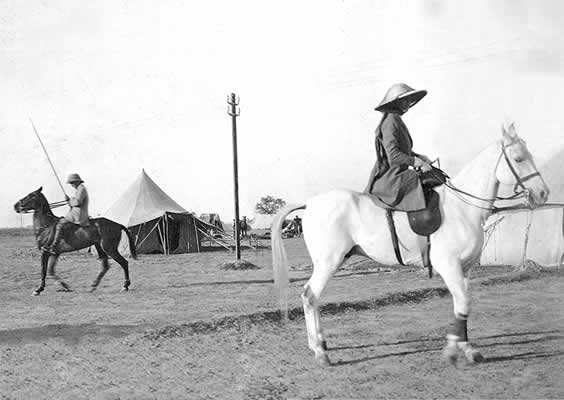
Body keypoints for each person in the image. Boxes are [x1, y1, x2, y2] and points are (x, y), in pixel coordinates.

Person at [364, 83, 441, 212]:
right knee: (425, 181)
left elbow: (402, 150)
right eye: (404, 100)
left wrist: (419, 157)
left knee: (434, 175)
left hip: (397, 174)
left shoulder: (395, 120)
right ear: (395, 102)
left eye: (409, 100)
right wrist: (418, 163)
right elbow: (393, 156)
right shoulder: (391, 121)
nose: (408, 104)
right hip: (391, 177)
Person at [43, 173, 90, 254]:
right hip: (75, 213)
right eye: (71, 183)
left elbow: (78, 202)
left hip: (78, 215)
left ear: (77, 181)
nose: (72, 185)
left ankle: (54, 246)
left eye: (72, 183)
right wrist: (69, 200)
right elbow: (75, 202)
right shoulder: (79, 189)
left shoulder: (81, 189)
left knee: (60, 224)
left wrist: (69, 201)